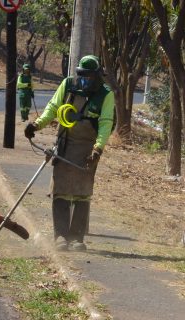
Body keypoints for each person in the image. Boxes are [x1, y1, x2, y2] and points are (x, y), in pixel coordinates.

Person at [24, 55, 115, 251]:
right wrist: (36, 125)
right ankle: (61, 237)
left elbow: (106, 123)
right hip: (65, 143)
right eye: (82, 76)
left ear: (97, 76)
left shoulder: (105, 94)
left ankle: (77, 238)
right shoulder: (67, 85)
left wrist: (97, 150)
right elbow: (53, 108)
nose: (85, 81)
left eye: (89, 77)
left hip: (88, 147)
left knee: (82, 192)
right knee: (61, 190)